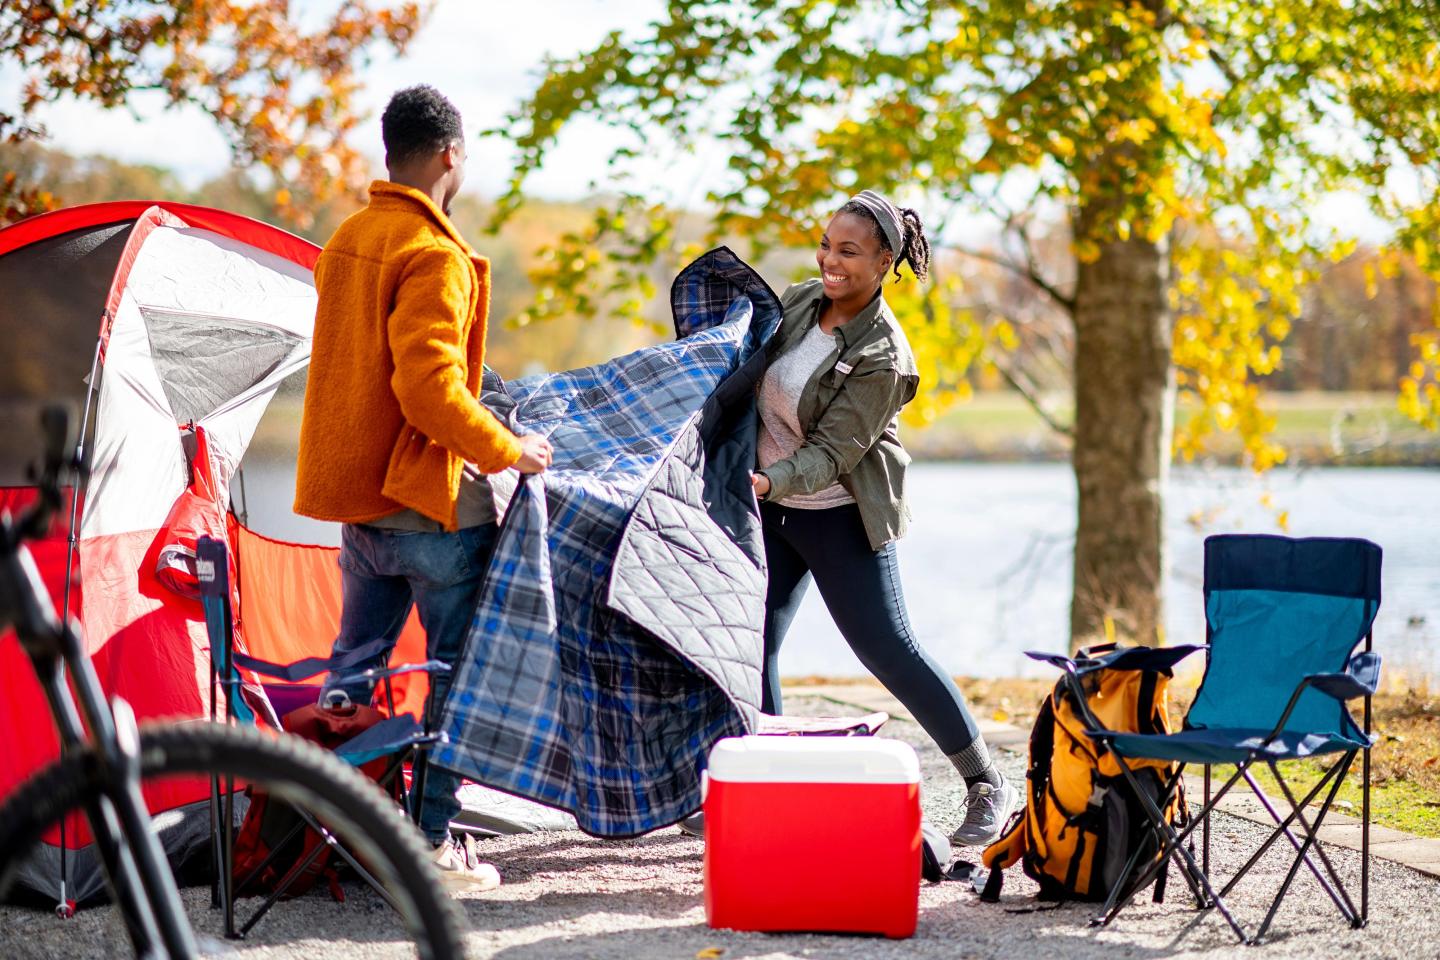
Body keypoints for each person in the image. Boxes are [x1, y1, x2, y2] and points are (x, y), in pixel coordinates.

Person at [293, 84, 553, 890]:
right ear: (450, 156)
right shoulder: (433, 253)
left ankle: (328, 837)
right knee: (454, 677)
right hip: (428, 509)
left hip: (360, 507)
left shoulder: (348, 236)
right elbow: (428, 389)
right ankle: (431, 845)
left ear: (388, 151)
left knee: (353, 673)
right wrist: (507, 449)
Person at [751, 190, 1017, 846]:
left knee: (886, 648)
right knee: (750, 638)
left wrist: (765, 479)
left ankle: (988, 782)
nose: (830, 261)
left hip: (837, 512)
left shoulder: (885, 356)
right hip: (771, 506)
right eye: (826, 245)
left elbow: (834, 452)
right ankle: (765, 781)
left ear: (883, 262)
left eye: (849, 251)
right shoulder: (801, 300)